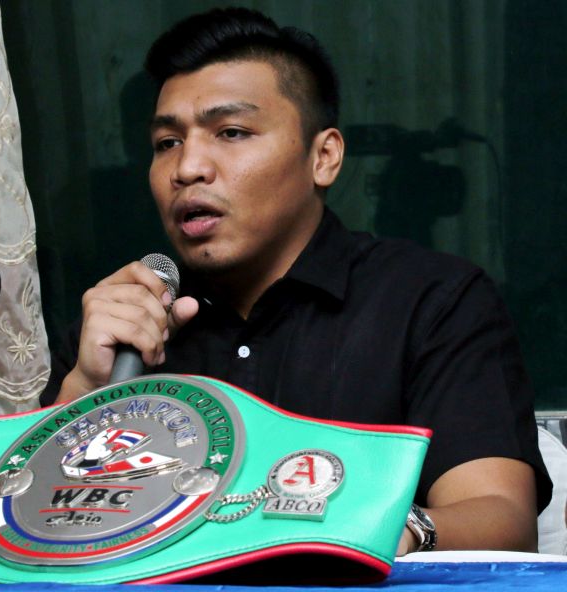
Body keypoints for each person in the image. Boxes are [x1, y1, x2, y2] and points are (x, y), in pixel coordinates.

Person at [41, 7, 551, 555]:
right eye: (167, 142)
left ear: (324, 157)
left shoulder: (432, 301)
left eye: (231, 132)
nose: (187, 168)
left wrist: (377, 531)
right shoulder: (124, 321)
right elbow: (27, 530)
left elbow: (500, 516)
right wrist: (83, 389)